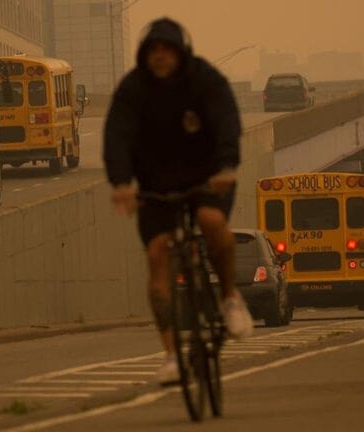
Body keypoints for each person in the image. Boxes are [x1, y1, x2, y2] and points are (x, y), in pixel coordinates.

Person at [103, 17, 254, 386]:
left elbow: (226, 119)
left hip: (207, 178)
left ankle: (230, 297)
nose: (160, 57)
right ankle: (170, 355)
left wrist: (228, 165)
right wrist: (121, 182)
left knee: (211, 221)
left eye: (167, 49)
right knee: (157, 255)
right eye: (153, 50)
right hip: (156, 189)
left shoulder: (202, 79)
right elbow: (117, 135)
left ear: (180, 52)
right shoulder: (133, 90)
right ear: (145, 54)